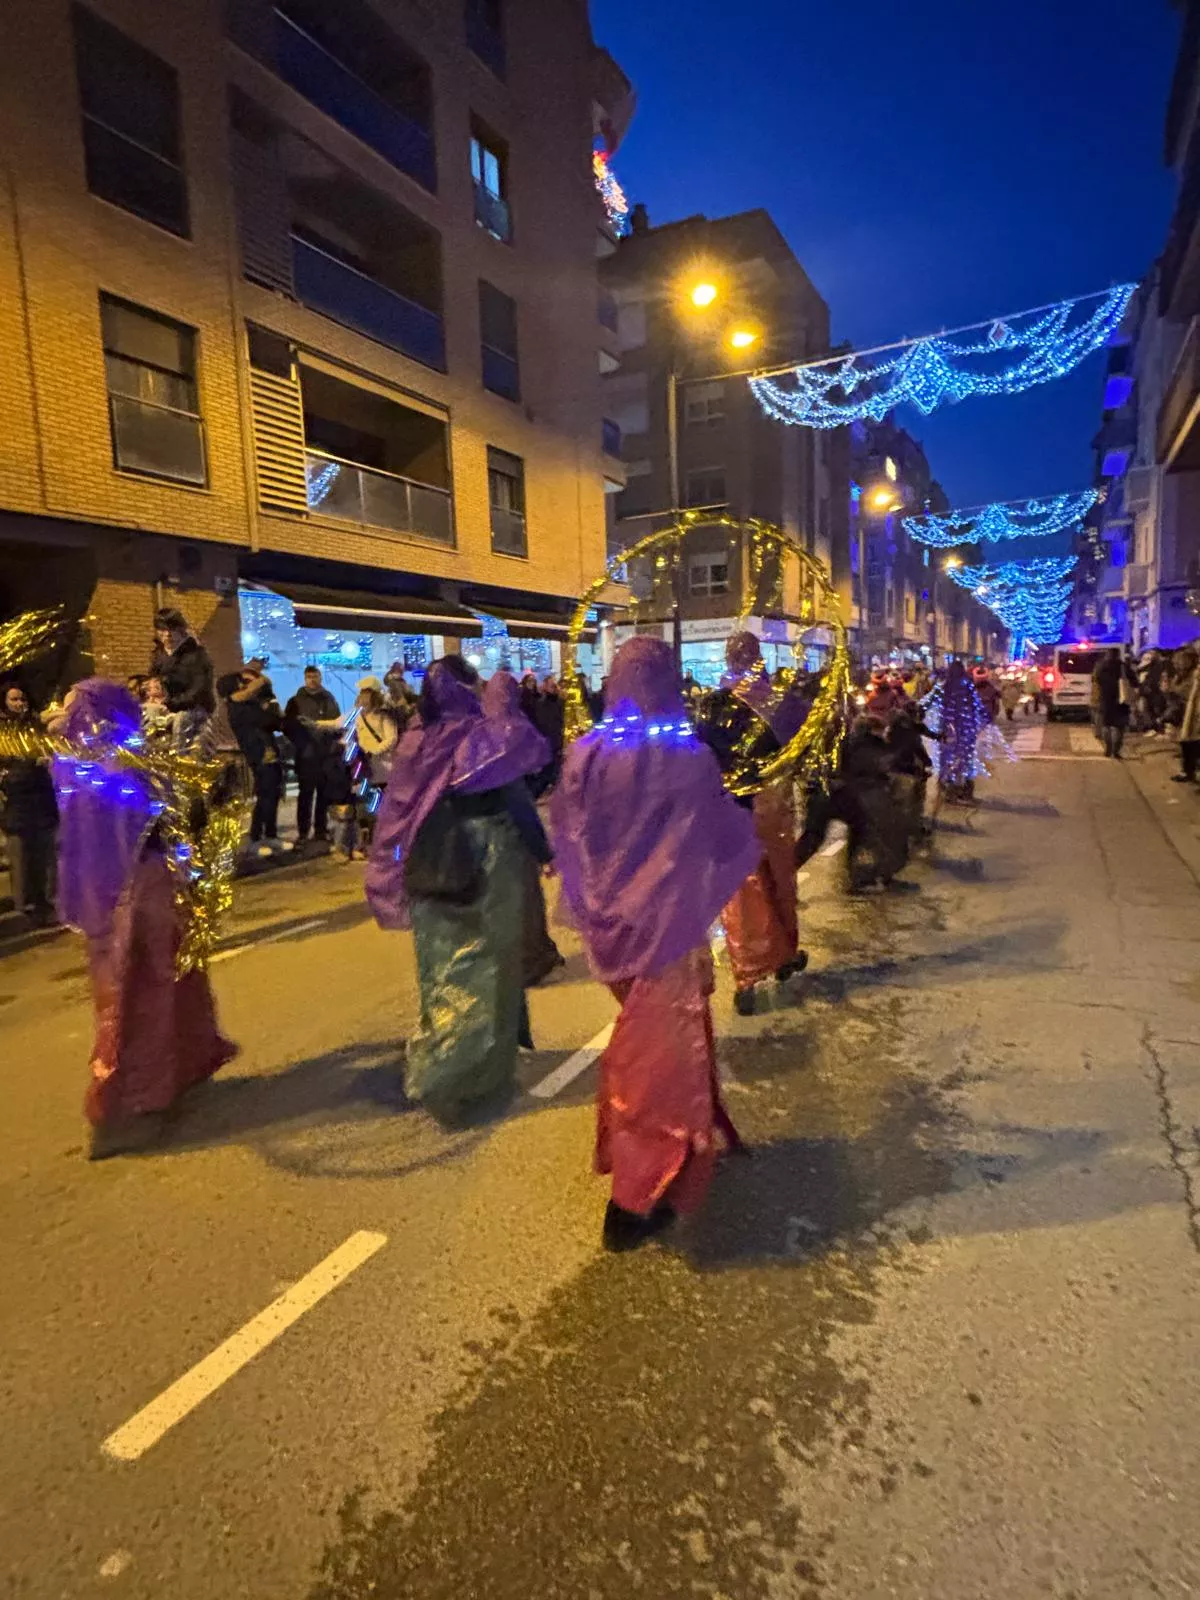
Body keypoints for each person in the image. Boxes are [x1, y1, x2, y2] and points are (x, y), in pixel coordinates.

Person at [552, 637, 761, 1252]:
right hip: (667, 927)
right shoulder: (690, 759)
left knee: (659, 1048)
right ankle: (640, 1193)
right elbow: (721, 837)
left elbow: (568, 833)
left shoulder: (585, 754)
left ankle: (677, 1151)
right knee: (656, 1062)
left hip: (609, 926)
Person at [52, 679, 237, 1159]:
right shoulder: (122, 758)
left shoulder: (75, 758)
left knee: (137, 992)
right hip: (141, 892)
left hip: (107, 895)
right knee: (148, 992)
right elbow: (169, 815)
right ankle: (137, 1100)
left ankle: (166, 1081)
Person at [365, 656, 548, 1123]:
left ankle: (441, 1060)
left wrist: (393, 866)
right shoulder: (483, 740)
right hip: (487, 860)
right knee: (488, 970)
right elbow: (515, 796)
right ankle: (470, 1075)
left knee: (441, 971)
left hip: (431, 862)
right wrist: (544, 851)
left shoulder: (415, 742)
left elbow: (397, 810)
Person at [698, 632, 806, 1016]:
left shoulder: (712, 704)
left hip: (730, 807)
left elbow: (703, 757)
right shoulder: (780, 702)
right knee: (779, 881)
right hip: (773, 803)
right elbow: (802, 746)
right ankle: (783, 954)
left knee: (742, 893)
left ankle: (747, 974)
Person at [482, 669, 564, 986]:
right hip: (509, 836)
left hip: (475, 837)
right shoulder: (514, 730)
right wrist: (543, 851)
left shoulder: (473, 733)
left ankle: (510, 957)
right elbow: (518, 796)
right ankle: (529, 961)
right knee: (524, 900)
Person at [1, 683, 58, 924]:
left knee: (44, 852)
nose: (19, 703)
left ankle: (45, 901)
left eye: (21, 698)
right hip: (16, 797)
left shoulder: (35, 725)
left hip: (41, 794)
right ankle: (25, 906)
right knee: (21, 854)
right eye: (13, 699)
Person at [221, 664, 287, 855]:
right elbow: (266, 720)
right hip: (258, 755)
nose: (245, 686)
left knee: (273, 795)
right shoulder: (236, 706)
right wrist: (259, 681)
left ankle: (271, 835)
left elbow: (275, 721)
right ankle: (256, 838)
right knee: (264, 796)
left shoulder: (250, 703)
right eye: (241, 683)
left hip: (271, 753)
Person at [284, 665, 342, 843]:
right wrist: (301, 743)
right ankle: (303, 831)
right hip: (307, 754)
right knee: (306, 794)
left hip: (326, 754)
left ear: (320, 678)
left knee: (324, 794)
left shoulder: (328, 698)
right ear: (304, 678)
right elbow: (288, 726)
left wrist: (333, 742)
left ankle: (320, 829)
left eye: (315, 676)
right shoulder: (296, 701)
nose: (313, 680)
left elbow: (337, 722)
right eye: (309, 677)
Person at [150, 608, 214, 748]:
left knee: (182, 721)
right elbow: (154, 679)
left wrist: (172, 703)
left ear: (180, 630)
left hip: (193, 707)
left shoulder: (196, 654)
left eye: (171, 629)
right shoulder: (158, 654)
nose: (167, 635)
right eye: (162, 629)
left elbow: (199, 688)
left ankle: (178, 759)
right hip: (167, 704)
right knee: (148, 714)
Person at [1093, 648, 1135, 760]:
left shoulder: (1101, 666)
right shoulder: (1123, 667)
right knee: (1119, 727)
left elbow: (1096, 680)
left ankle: (1108, 748)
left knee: (1106, 725)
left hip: (1106, 699)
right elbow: (1134, 681)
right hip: (1122, 700)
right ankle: (1116, 751)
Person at [1173, 649, 1200, 783]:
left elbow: (1185, 692)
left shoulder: (1194, 675)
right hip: (1186, 712)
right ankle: (1187, 771)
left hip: (1194, 713)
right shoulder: (1183, 675)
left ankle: (1189, 771)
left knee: (1192, 744)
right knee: (1186, 744)